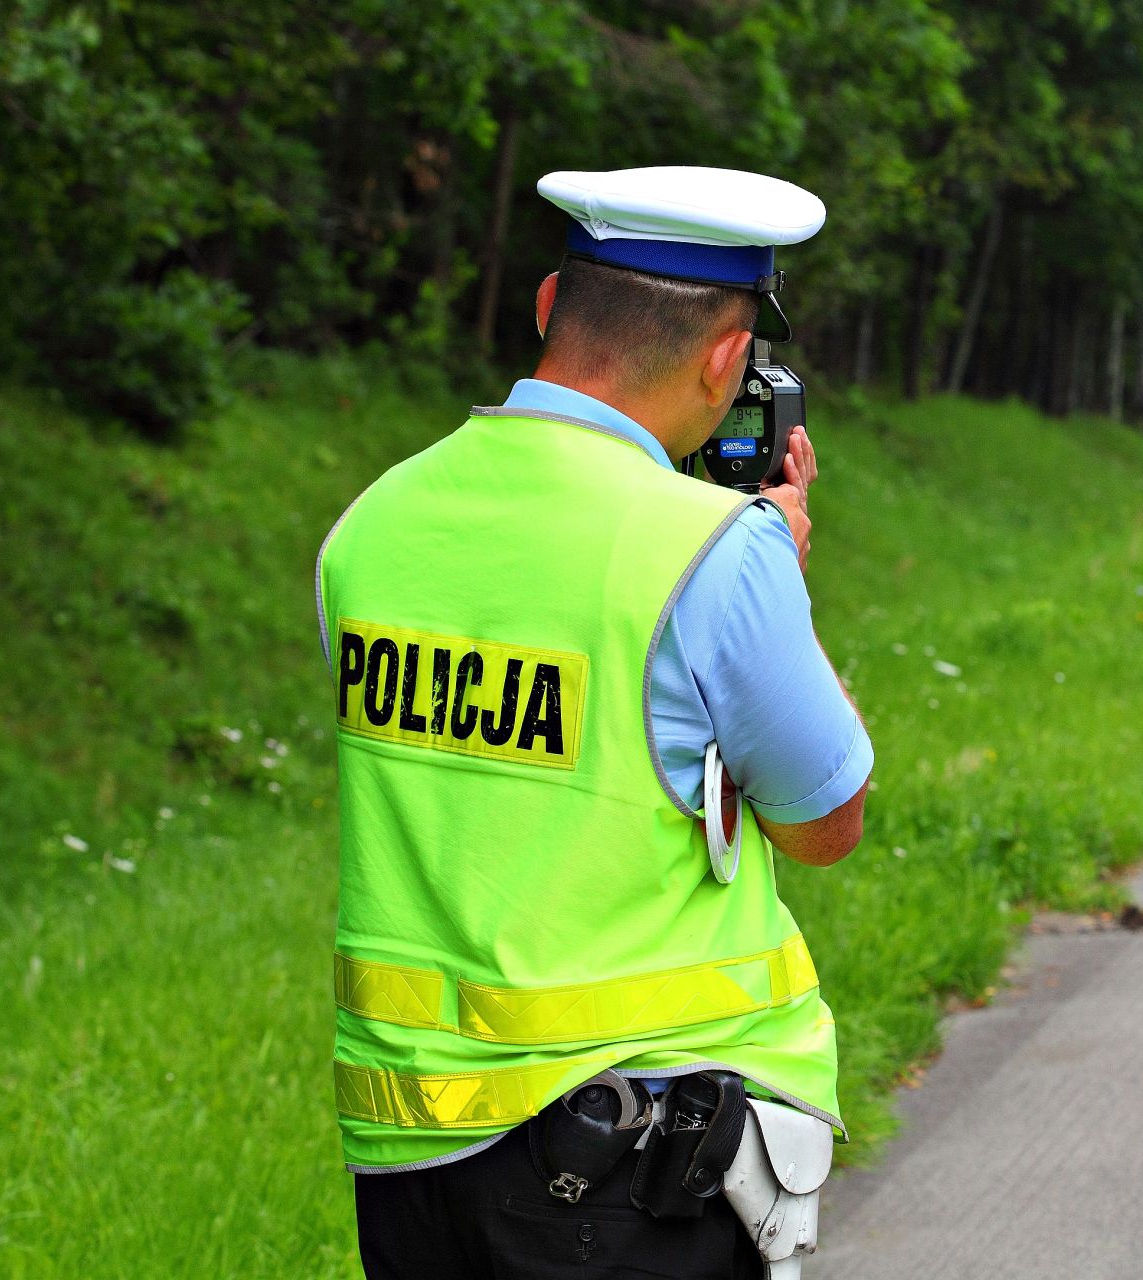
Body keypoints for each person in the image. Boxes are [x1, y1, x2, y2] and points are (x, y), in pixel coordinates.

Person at [314, 166, 872, 1279]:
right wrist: (776, 578)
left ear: (545, 308)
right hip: (629, 1170)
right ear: (727, 360)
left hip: (409, 1158)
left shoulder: (368, 525)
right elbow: (826, 823)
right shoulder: (716, 552)